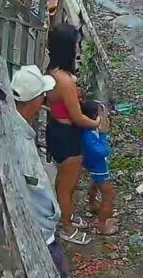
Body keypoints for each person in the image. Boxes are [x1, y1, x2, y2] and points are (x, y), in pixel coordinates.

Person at [11, 66, 71, 276]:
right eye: (42, 94)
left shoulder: (16, 127)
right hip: (40, 233)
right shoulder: (19, 144)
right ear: (36, 100)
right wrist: (52, 217)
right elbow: (34, 188)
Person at [45, 24, 99, 245]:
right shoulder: (65, 81)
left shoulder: (54, 73)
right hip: (67, 134)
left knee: (64, 181)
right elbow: (77, 118)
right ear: (68, 47)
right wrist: (96, 122)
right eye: (77, 43)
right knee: (67, 185)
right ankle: (66, 227)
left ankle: (63, 215)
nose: (79, 46)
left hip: (58, 130)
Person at [79, 100, 117, 235]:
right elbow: (102, 151)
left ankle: (92, 203)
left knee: (95, 184)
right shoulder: (89, 135)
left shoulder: (86, 130)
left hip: (93, 165)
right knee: (109, 195)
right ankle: (102, 225)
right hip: (99, 166)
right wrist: (103, 133)